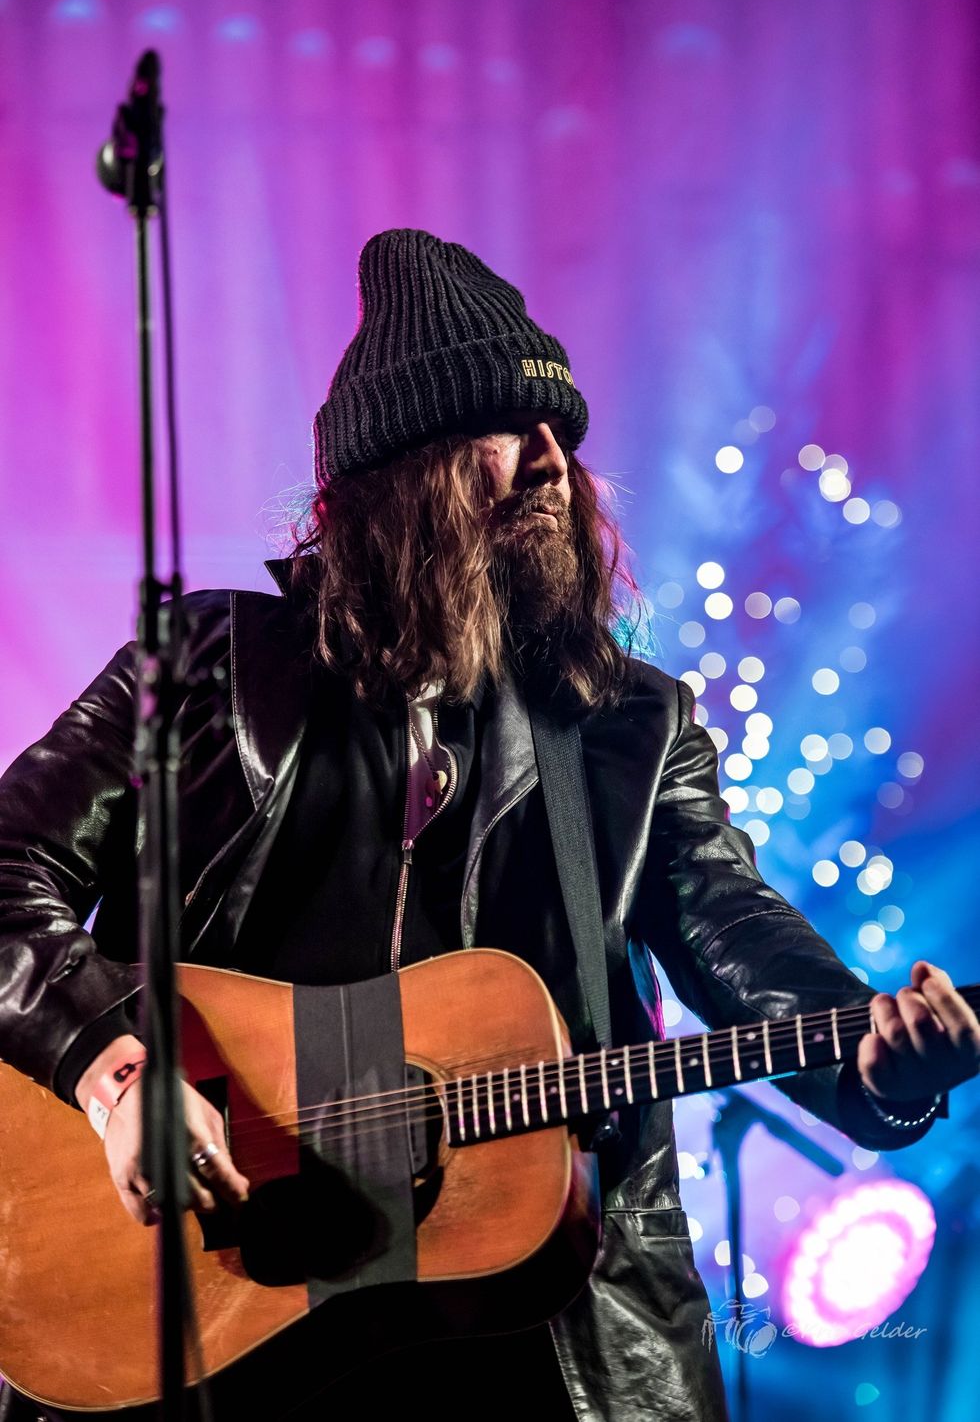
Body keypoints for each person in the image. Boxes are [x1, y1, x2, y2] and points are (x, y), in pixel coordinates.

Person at [0, 229, 976, 1422]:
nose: (553, 463)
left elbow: (738, 936)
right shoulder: (210, 670)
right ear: (392, 479)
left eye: (561, 431)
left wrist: (872, 1066)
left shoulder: (627, 726)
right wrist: (114, 1071)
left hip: (551, 1350)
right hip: (227, 1327)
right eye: (507, 428)